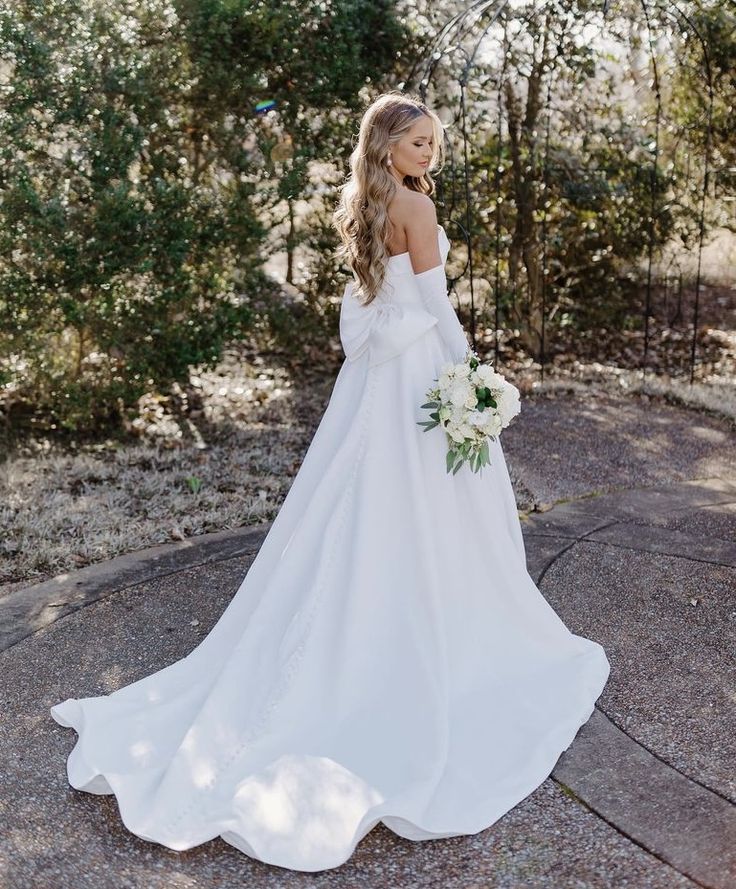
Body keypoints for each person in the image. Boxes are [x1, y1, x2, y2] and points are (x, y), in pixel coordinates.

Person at [50, 92, 610, 873]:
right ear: (388, 147)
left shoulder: (365, 201)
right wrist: (473, 376)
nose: (430, 155)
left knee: (361, 496)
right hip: (416, 370)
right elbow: (437, 307)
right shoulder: (412, 206)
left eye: (434, 142)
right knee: (420, 498)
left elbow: (379, 299)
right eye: (418, 143)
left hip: (379, 379)